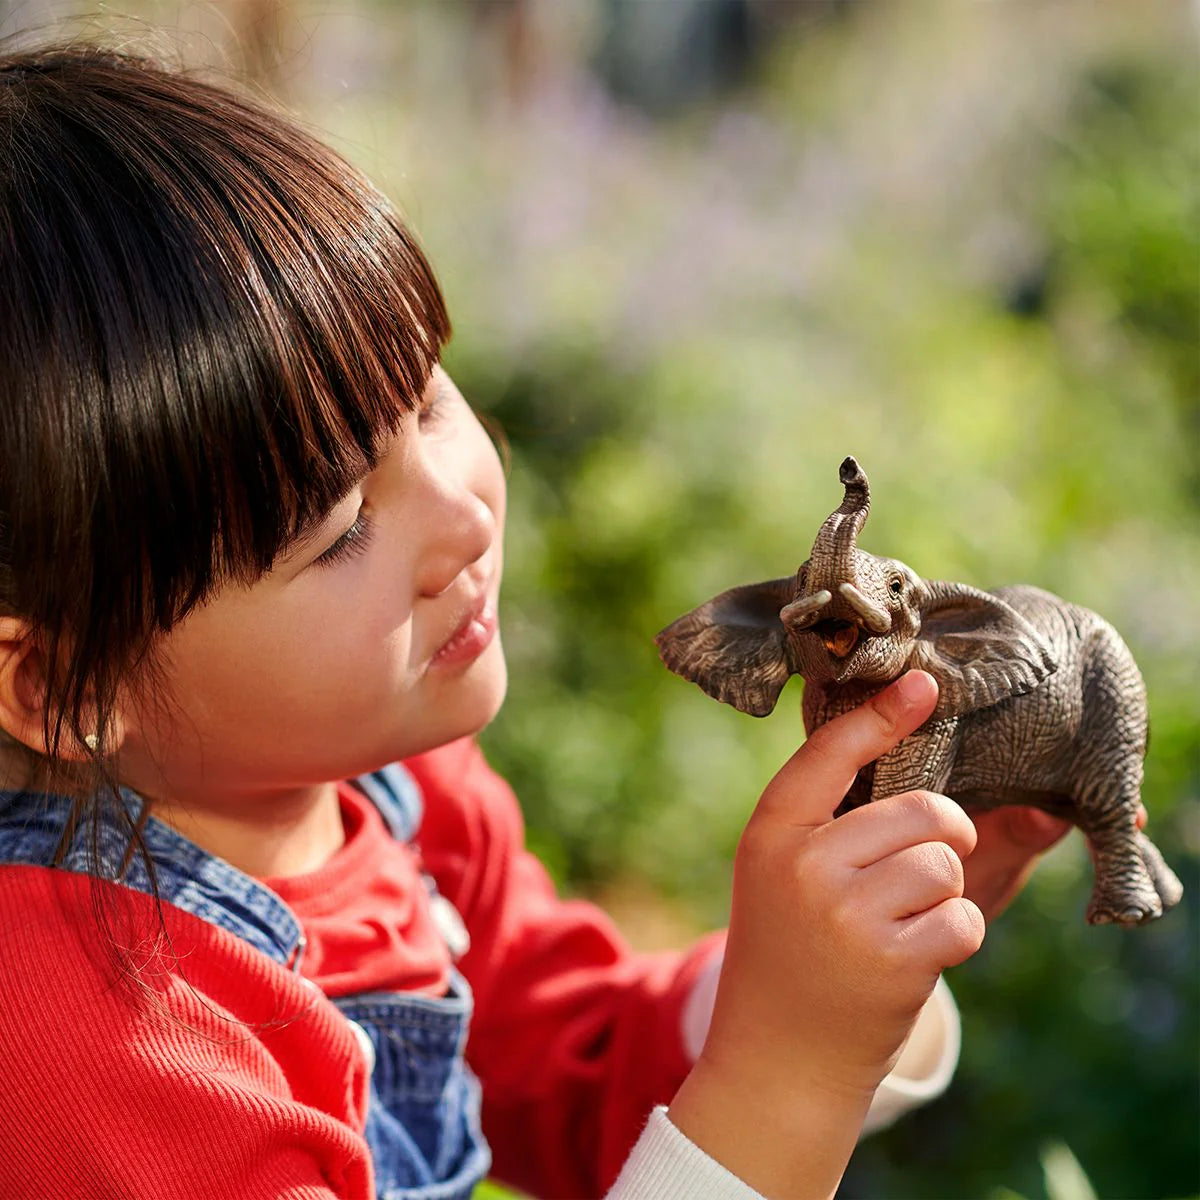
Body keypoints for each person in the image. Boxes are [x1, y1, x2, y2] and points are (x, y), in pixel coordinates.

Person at [0, 42, 1073, 1200]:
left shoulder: (403, 800)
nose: (463, 514)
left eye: (429, 397)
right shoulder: (84, 1038)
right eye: (342, 525)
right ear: (68, 685)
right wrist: (787, 1074)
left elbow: (583, 1078)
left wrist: (838, 977)